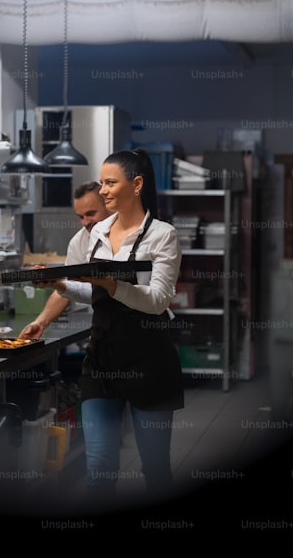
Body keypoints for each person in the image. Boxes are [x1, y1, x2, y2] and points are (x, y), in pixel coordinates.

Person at [38, 148, 184, 503]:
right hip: (101, 360)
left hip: (150, 361)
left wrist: (108, 283)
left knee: (154, 469)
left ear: (136, 185)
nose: (103, 190)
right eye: (101, 182)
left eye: (110, 182)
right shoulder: (95, 234)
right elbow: (92, 295)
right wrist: (58, 284)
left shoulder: (162, 235)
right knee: (99, 468)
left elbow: (157, 301)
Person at [18, 181, 108, 340]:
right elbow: (67, 289)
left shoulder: (129, 235)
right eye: (81, 217)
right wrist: (40, 322)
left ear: (108, 205)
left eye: (91, 214)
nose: (85, 222)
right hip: (105, 328)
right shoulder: (78, 242)